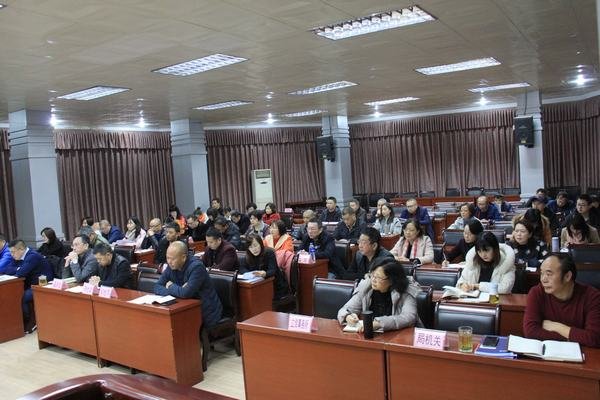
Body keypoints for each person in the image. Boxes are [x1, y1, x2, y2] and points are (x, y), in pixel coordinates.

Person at [523, 253, 600, 347]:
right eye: (542, 273)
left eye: (549, 274)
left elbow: (594, 338)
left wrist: (558, 327)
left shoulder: (592, 297)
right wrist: (574, 337)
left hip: (582, 354)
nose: (543, 279)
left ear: (567, 276)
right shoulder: (537, 293)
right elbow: (531, 332)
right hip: (548, 353)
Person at [337, 261, 421, 332]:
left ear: (391, 280)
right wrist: (347, 316)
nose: (373, 280)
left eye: (378, 277)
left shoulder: (406, 290)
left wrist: (379, 323)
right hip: (373, 336)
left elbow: (408, 318)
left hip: (400, 336)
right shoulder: (366, 287)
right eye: (372, 275)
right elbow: (345, 309)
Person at [154, 242, 223, 329]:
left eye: (173, 259)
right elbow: (157, 286)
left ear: (183, 257)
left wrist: (171, 286)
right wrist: (178, 291)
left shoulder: (196, 267)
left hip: (207, 311)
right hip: (183, 307)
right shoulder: (171, 266)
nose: (169, 262)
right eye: (167, 258)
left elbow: (186, 293)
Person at [8, 239, 53, 331]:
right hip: (30, 283)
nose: (11, 255)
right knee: (13, 294)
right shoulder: (18, 256)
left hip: (42, 285)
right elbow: (7, 269)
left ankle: (29, 322)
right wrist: (19, 268)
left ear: (21, 249)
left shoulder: (32, 256)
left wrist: (18, 269)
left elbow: (20, 273)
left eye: (13, 252)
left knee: (23, 297)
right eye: (10, 252)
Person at [242, 234, 289, 300]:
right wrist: (251, 274)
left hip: (275, 286)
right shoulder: (248, 255)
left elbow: (273, 270)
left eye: (255, 245)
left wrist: (265, 274)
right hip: (257, 286)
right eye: (250, 247)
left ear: (260, 244)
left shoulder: (269, 252)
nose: (254, 249)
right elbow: (242, 268)